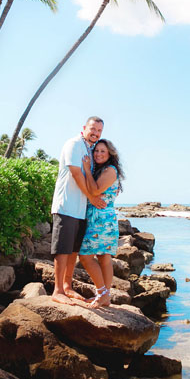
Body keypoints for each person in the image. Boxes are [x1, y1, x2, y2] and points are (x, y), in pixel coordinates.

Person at [50, 116, 106, 305]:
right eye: (93, 129)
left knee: (73, 251)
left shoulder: (90, 150)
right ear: (84, 128)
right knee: (62, 249)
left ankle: (67, 287)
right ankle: (57, 291)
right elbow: (75, 173)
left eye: (99, 131)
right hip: (66, 205)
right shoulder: (74, 144)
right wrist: (91, 197)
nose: (95, 133)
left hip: (80, 210)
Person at [78, 138, 124, 308]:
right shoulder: (102, 170)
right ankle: (105, 297)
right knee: (104, 257)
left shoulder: (110, 170)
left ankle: (102, 293)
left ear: (110, 153)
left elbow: (95, 190)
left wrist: (86, 171)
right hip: (101, 217)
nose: (98, 154)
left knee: (85, 257)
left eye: (102, 151)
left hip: (101, 219)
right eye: (96, 151)